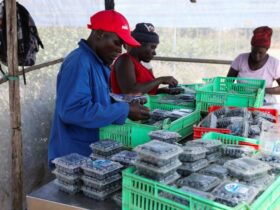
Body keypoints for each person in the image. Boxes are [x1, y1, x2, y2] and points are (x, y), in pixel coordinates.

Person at [48, 10, 150, 168]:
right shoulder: (79, 62)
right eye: (117, 42)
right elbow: (73, 110)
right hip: (74, 158)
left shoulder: (98, 62)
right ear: (100, 34)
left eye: (123, 46)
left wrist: (126, 101)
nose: (120, 50)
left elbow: (99, 98)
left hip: (92, 151)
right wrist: (124, 110)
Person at [110, 23, 179, 95]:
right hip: (126, 106)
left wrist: (162, 90)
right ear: (138, 45)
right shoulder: (125, 60)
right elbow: (131, 91)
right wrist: (161, 80)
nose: (154, 53)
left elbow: (144, 92)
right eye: (152, 47)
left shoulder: (138, 64)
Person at [227, 26, 280, 104]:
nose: (256, 56)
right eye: (254, 51)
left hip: (264, 102)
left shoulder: (274, 64)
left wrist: (263, 90)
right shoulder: (240, 59)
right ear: (251, 47)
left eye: (260, 53)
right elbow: (228, 82)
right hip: (241, 100)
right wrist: (237, 91)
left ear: (267, 49)